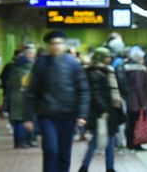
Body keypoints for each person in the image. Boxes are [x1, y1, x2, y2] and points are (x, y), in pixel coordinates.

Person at [24, 31, 91, 172]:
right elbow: (32, 92)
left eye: (59, 43)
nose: (56, 46)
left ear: (64, 44)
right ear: (48, 46)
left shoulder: (73, 64)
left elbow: (83, 90)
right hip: (47, 116)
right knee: (51, 150)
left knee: (64, 153)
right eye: (53, 44)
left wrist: (82, 115)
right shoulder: (40, 64)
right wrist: (28, 117)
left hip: (69, 116)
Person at [79, 47, 122, 172]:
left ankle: (109, 167)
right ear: (101, 57)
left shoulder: (104, 70)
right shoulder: (95, 72)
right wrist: (104, 110)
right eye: (107, 56)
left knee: (109, 139)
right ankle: (86, 167)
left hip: (109, 110)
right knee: (98, 140)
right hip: (102, 112)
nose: (109, 58)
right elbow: (95, 93)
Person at [8, 45, 36, 149]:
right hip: (22, 99)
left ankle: (16, 142)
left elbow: (9, 85)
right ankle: (21, 141)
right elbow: (27, 86)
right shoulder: (26, 73)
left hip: (13, 98)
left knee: (16, 121)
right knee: (21, 121)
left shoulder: (14, 72)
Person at [122, 46, 147, 151]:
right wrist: (143, 102)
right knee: (135, 123)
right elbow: (139, 87)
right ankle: (134, 144)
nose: (143, 60)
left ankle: (130, 143)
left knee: (131, 123)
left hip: (130, 99)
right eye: (142, 58)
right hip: (136, 102)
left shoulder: (128, 67)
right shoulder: (138, 70)